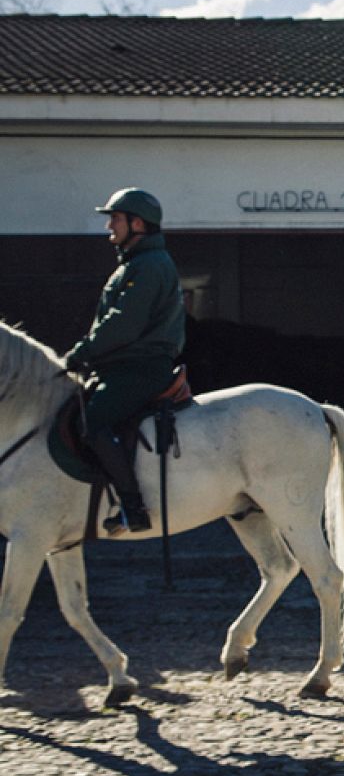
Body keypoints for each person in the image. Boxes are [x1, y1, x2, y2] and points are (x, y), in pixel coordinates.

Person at [63, 187, 184, 535]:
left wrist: (81, 353)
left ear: (138, 224)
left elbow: (123, 325)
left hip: (141, 367)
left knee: (93, 422)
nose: (109, 226)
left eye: (115, 218)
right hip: (126, 365)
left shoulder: (148, 266)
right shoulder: (136, 264)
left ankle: (133, 507)